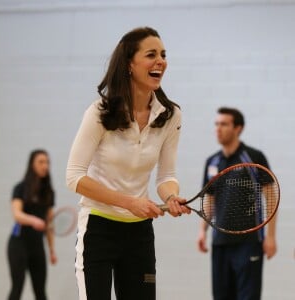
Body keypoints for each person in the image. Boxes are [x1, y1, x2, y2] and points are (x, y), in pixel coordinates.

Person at [66, 26, 190, 300]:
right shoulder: (100, 112)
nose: (161, 61)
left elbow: (166, 175)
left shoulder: (171, 116)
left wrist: (170, 196)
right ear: (129, 65)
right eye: (151, 55)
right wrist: (129, 202)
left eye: (163, 54)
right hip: (98, 229)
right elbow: (74, 177)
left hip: (139, 233)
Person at [197, 107, 277, 300]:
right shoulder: (212, 162)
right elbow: (210, 198)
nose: (218, 128)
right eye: (216, 124)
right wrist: (202, 231)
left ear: (238, 128)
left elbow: (270, 196)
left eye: (224, 124)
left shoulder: (254, 158)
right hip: (220, 243)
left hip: (249, 243)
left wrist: (271, 237)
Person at [7, 149, 57, 300]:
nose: (45, 166)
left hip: (37, 246)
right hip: (18, 244)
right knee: (17, 288)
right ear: (32, 164)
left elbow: (49, 225)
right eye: (41, 162)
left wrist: (52, 250)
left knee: (41, 293)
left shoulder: (49, 193)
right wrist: (33, 220)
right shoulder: (20, 188)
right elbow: (17, 214)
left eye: (47, 162)